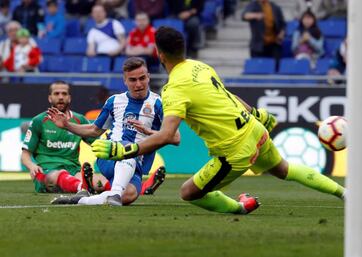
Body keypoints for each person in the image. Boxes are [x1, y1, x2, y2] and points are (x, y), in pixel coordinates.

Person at [90, 26, 345, 215]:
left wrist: (124, 150)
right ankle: (344, 193)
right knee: (283, 169)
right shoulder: (200, 66)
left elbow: (168, 135)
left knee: (189, 192)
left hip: (234, 150)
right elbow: (228, 95)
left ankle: (240, 208)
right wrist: (256, 114)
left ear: (159, 54)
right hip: (254, 129)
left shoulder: (174, 89)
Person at [47, 57, 174, 206]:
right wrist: (67, 125)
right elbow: (94, 130)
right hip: (110, 155)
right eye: (133, 80)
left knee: (129, 195)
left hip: (137, 164)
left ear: (148, 77)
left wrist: (149, 131)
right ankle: (114, 193)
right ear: (125, 81)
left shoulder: (158, 103)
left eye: (142, 78)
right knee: (129, 149)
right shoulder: (114, 101)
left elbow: (174, 137)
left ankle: (81, 200)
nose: (138, 84)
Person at [21, 81, 110, 194]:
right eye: (56, 94)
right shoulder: (39, 121)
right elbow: (25, 155)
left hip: (74, 170)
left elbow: (97, 144)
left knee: (99, 181)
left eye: (64, 94)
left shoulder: (79, 120)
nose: (61, 97)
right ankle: (82, 188)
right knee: (57, 175)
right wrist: (31, 165)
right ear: (50, 98)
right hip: (47, 170)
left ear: (69, 97)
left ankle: (124, 190)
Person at [242, 0, 286, 71]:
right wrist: (256, 15)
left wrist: (282, 33)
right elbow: (244, 16)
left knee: (275, 67)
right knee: (257, 69)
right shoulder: (253, 5)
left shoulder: (275, 7)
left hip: (274, 43)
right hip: (258, 44)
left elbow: (283, 24)